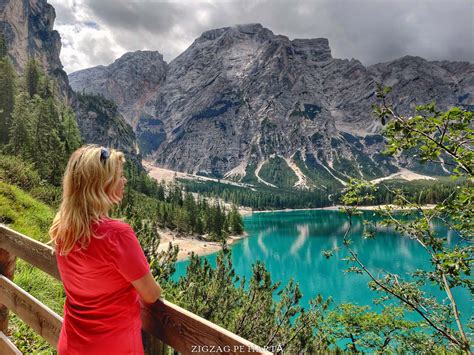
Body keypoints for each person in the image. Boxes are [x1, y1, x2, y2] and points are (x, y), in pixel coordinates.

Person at [49, 144, 162, 355]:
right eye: (119, 176)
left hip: (72, 343)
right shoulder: (116, 235)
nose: (124, 181)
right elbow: (151, 294)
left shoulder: (62, 227)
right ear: (102, 185)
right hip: (114, 346)